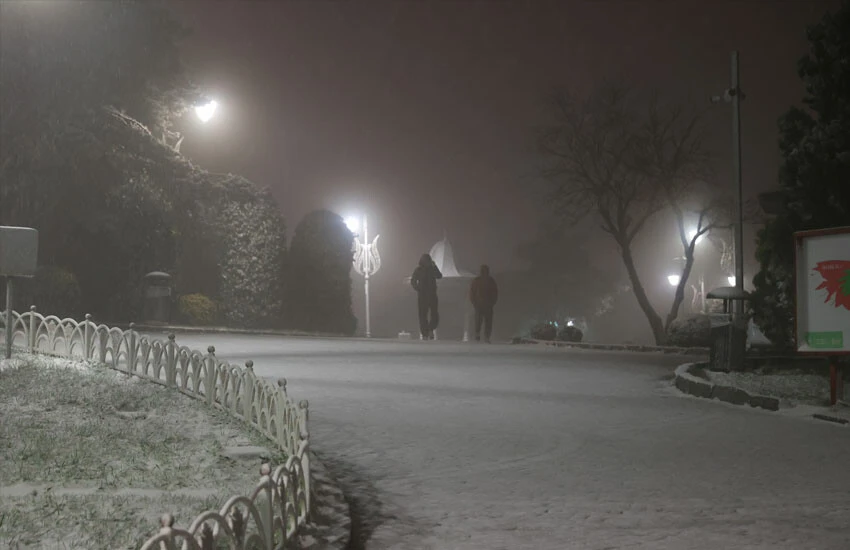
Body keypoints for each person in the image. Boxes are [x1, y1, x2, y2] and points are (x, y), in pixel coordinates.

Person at [410, 253, 442, 339]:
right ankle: (425, 333)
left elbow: (439, 276)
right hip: (423, 295)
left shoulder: (432, 269)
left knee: (434, 314)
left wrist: (435, 266)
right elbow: (413, 281)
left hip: (432, 295)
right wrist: (418, 288)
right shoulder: (418, 270)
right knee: (423, 315)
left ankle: (430, 329)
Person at [469, 264, 498, 343]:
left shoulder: (477, 281)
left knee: (479, 320)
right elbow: (495, 293)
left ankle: (479, 335)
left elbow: (472, 293)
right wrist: (492, 302)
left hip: (480, 304)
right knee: (487, 321)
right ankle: (486, 336)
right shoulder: (490, 281)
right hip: (486, 304)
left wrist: (474, 302)